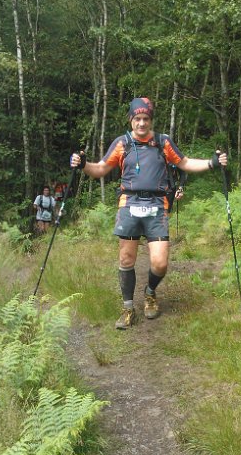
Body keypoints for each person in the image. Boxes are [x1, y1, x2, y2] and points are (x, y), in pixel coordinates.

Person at [70, 97, 227, 329]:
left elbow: (184, 163)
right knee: (126, 258)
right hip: (129, 203)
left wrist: (212, 163)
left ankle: (150, 292)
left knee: (160, 263)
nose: (142, 123)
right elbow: (101, 169)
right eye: (137, 119)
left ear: (151, 120)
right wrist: (83, 164)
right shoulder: (122, 143)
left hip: (157, 205)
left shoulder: (163, 142)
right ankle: (128, 309)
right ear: (131, 120)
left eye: (146, 119)